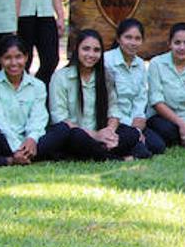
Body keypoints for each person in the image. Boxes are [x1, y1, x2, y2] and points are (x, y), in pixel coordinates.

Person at [48, 29, 136, 161]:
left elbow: (114, 110)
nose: (91, 54)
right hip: (76, 134)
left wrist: (110, 132)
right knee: (76, 136)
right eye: (86, 49)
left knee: (132, 133)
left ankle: (97, 153)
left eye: (96, 50)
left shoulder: (105, 76)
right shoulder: (61, 77)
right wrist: (95, 135)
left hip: (100, 132)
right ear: (76, 49)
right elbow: (60, 119)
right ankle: (113, 158)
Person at [0, 35, 64, 166]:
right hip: (1, 139)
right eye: (7, 58)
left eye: (18, 57)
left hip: (28, 141)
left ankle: (7, 160)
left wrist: (31, 139)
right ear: (0, 59)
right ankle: (22, 157)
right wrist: (17, 148)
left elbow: (38, 117)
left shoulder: (38, 85)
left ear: (27, 57)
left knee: (62, 130)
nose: (13, 63)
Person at [105, 18, 166, 158]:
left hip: (133, 120)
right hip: (113, 121)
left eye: (137, 38)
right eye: (128, 37)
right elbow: (110, 101)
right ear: (118, 38)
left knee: (158, 146)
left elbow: (141, 97)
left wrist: (138, 121)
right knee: (142, 151)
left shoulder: (139, 64)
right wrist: (132, 129)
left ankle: (132, 143)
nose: (133, 43)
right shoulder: (107, 61)